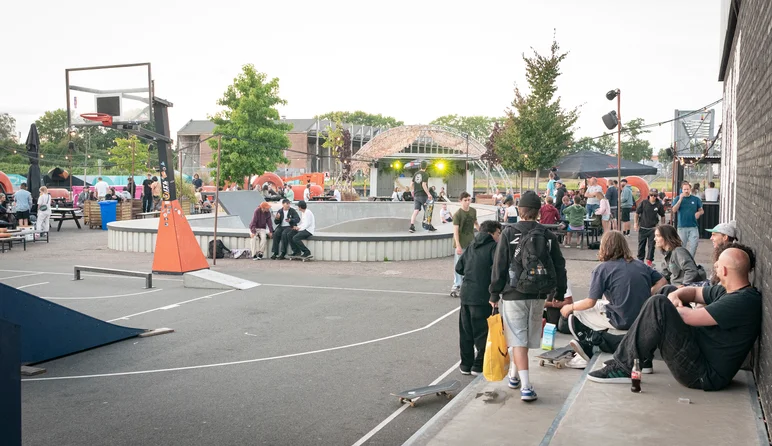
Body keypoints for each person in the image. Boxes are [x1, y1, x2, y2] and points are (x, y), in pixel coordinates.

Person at [588, 246, 761, 391]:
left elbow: (690, 317)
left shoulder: (742, 301)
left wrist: (672, 305)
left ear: (723, 270)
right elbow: (693, 291)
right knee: (667, 291)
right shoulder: (728, 290)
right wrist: (676, 294)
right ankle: (640, 360)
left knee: (659, 304)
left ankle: (623, 367)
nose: (714, 268)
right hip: (699, 351)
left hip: (703, 374)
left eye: (717, 266)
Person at [490, 191, 568, 401]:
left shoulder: (508, 232)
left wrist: (494, 293)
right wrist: (559, 291)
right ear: (538, 213)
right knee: (523, 339)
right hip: (539, 294)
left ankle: (525, 386)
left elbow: (499, 265)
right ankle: (514, 376)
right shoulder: (547, 234)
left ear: (519, 210)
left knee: (517, 339)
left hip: (514, 293)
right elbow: (559, 265)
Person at [563, 231, 667, 368]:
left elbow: (590, 302)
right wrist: (648, 293)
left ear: (604, 247)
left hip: (621, 318)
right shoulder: (641, 265)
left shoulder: (602, 269)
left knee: (575, 313)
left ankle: (587, 348)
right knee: (603, 304)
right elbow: (663, 281)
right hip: (642, 316)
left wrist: (569, 307)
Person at [455, 220, 502, 375]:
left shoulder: (471, 246)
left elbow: (459, 267)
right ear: (491, 233)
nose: (498, 236)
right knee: (482, 332)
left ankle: (465, 365)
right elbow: (498, 271)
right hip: (483, 296)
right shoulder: (494, 248)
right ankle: (479, 364)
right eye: (498, 233)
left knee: (466, 332)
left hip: (466, 294)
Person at [451, 192, 479, 296]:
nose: (467, 202)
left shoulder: (473, 211)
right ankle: (457, 284)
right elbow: (456, 231)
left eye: (469, 200)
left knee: (470, 263)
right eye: (465, 200)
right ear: (460, 201)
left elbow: (475, 223)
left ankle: (467, 284)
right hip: (461, 243)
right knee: (459, 264)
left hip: (470, 241)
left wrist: (483, 233)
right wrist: (458, 245)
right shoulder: (458, 214)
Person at [671, 181, 704, 257]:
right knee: (682, 246)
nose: (686, 191)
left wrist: (699, 213)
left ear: (690, 189)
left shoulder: (696, 199)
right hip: (682, 227)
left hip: (693, 226)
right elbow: (674, 210)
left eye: (688, 189)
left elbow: (701, 210)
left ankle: (690, 260)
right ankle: (682, 261)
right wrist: (680, 200)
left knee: (694, 245)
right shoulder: (677, 198)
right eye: (684, 189)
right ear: (681, 190)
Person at [635, 188, 665, 266]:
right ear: (649, 195)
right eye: (651, 195)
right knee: (641, 244)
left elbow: (662, 215)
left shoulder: (659, 204)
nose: (653, 197)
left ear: (657, 196)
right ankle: (640, 260)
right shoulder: (644, 203)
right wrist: (636, 223)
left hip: (653, 229)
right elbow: (637, 213)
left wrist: (662, 226)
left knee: (651, 246)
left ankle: (649, 261)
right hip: (643, 227)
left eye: (655, 195)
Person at [409, 161, 433, 233]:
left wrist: (413, 191)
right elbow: (423, 185)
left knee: (416, 210)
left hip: (416, 195)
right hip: (423, 195)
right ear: (426, 167)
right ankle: (429, 226)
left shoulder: (416, 174)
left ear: (420, 166)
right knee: (428, 210)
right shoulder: (425, 174)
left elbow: (411, 184)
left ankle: (412, 226)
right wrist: (428, 194)